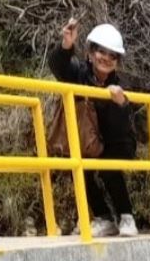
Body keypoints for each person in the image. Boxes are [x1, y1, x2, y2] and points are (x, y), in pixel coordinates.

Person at [49, 19, 140, 237]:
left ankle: (126, 216)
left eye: (113, 55)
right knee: (79, 167)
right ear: (90, 53)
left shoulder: (120, 86)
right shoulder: (79, 74)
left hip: (114, 142)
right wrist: (66, 45)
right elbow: (59, 66)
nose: (106, 58)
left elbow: (121, 132)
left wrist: (120, 105)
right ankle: (103, 218)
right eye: (102, 52)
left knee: (109, 166)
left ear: (117, 61)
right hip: (88, 141)